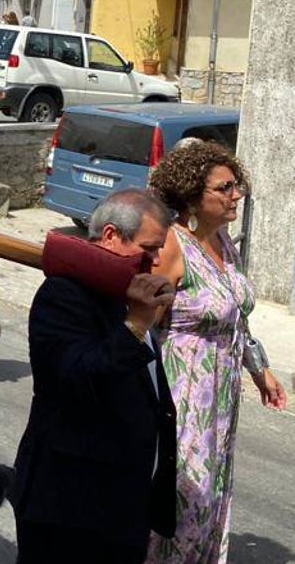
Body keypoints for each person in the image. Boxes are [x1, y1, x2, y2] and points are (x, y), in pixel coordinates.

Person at [12, 189, 178, 564]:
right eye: (148, 248)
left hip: (120, 507)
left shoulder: (126, 292)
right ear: (109, 236)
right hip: (69, 508)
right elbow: (74, 379)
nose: (154, 261)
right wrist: (135, 324)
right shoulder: (63, 295)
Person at [145, 143, 287, 563]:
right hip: (183, 398)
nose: (236, 195)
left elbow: (235, 317)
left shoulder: (225, 243)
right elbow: (139, 324)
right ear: (192, 195)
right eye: (225, 188)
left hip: (221, 398)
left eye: (236, 185)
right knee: (187, 502)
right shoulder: (173, 246)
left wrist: (260, 369)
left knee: (212, 499)